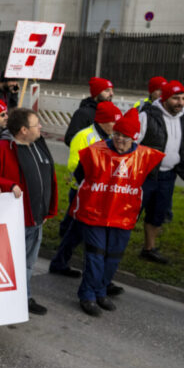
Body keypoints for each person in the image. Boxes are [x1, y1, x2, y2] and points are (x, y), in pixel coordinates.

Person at [70, 109, 164, 316]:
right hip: (95, 213)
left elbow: (149, 187)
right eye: (117, 134)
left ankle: (101, 291)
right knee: (95, 255)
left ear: (135, 137)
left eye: (125, 136)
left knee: (112, 257)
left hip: (123, 216)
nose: (120, 139)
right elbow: (79, 176)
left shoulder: (145, 157)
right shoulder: (95, 151)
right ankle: (87, 295)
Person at [0, 108, 57, 316]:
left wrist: (47, 208)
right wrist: (8, 185)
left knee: (29, 263)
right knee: (4, 263)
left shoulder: (38, 146)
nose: (40, 127)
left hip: (36, 218)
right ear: (23, 130)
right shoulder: (1, 149)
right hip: (13, 221)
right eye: (36, 124)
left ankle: (23, 298)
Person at [49, 101, 123, 281]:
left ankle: (64, 264)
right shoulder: (84, 136)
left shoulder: (113, 137)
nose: (116, 126)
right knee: (78, 232)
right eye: (114, 122)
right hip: (84, 193)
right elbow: (74, 165)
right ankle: (67, 265)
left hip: (104, 193)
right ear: (103, 121)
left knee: (82, 233)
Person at [137, 80, 184, 264]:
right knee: (132, 211)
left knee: (157, 213)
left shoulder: (183, 116)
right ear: (165, 98)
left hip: (168, 175)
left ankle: (149, 249)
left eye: (183, 98)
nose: (180, 102)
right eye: (176, 98)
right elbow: (133, 142)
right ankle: (115, 246)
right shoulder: (147, 116)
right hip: (146, 174)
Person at [64, 77, 114, 146]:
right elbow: (70, 139)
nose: (111, 93)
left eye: (112, 90)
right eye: (107, 90)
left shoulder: (110, 112)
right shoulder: (83, 113)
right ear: (96, 93)